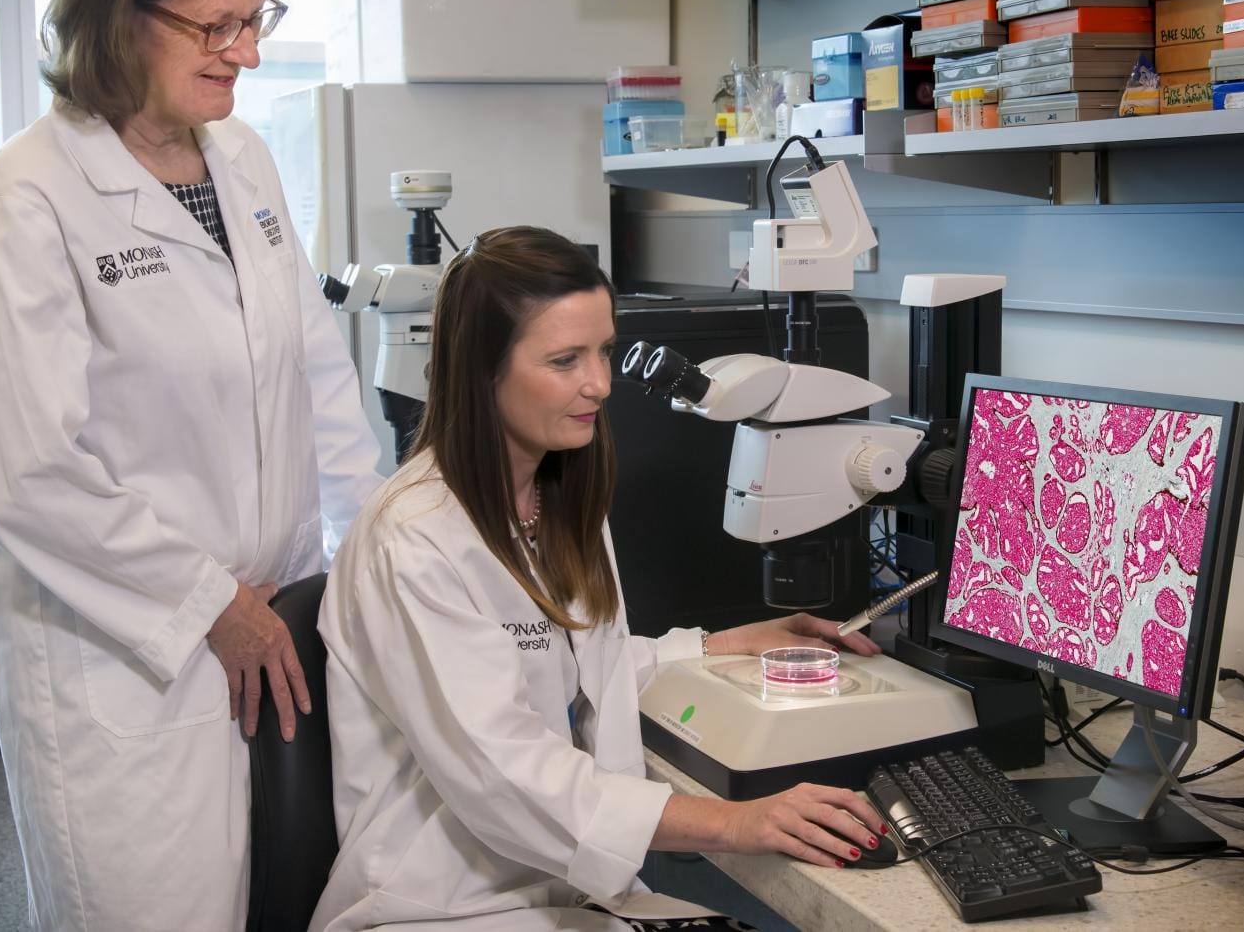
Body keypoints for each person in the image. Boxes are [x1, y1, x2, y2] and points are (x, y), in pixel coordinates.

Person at [0, 0, 381, 932]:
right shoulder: (28, 196)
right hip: (129, 664)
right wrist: (208, 605)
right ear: (118, 14)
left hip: (276, 633)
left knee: (284, 901)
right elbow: (24, 473)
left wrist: (371, 558)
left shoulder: (245, 161)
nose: (248, 52)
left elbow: (315, 377)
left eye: (255, 19)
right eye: (216, 26)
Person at [313, 227, 888, 932]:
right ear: (480, 370)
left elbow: (570, 664)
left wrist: (716, 645)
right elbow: (505, 773)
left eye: (604, 351)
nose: (601, 384)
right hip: (439, 906)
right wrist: (738, 822)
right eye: (565, 360)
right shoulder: (414, 537)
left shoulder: (552, 498)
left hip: (554, 896)